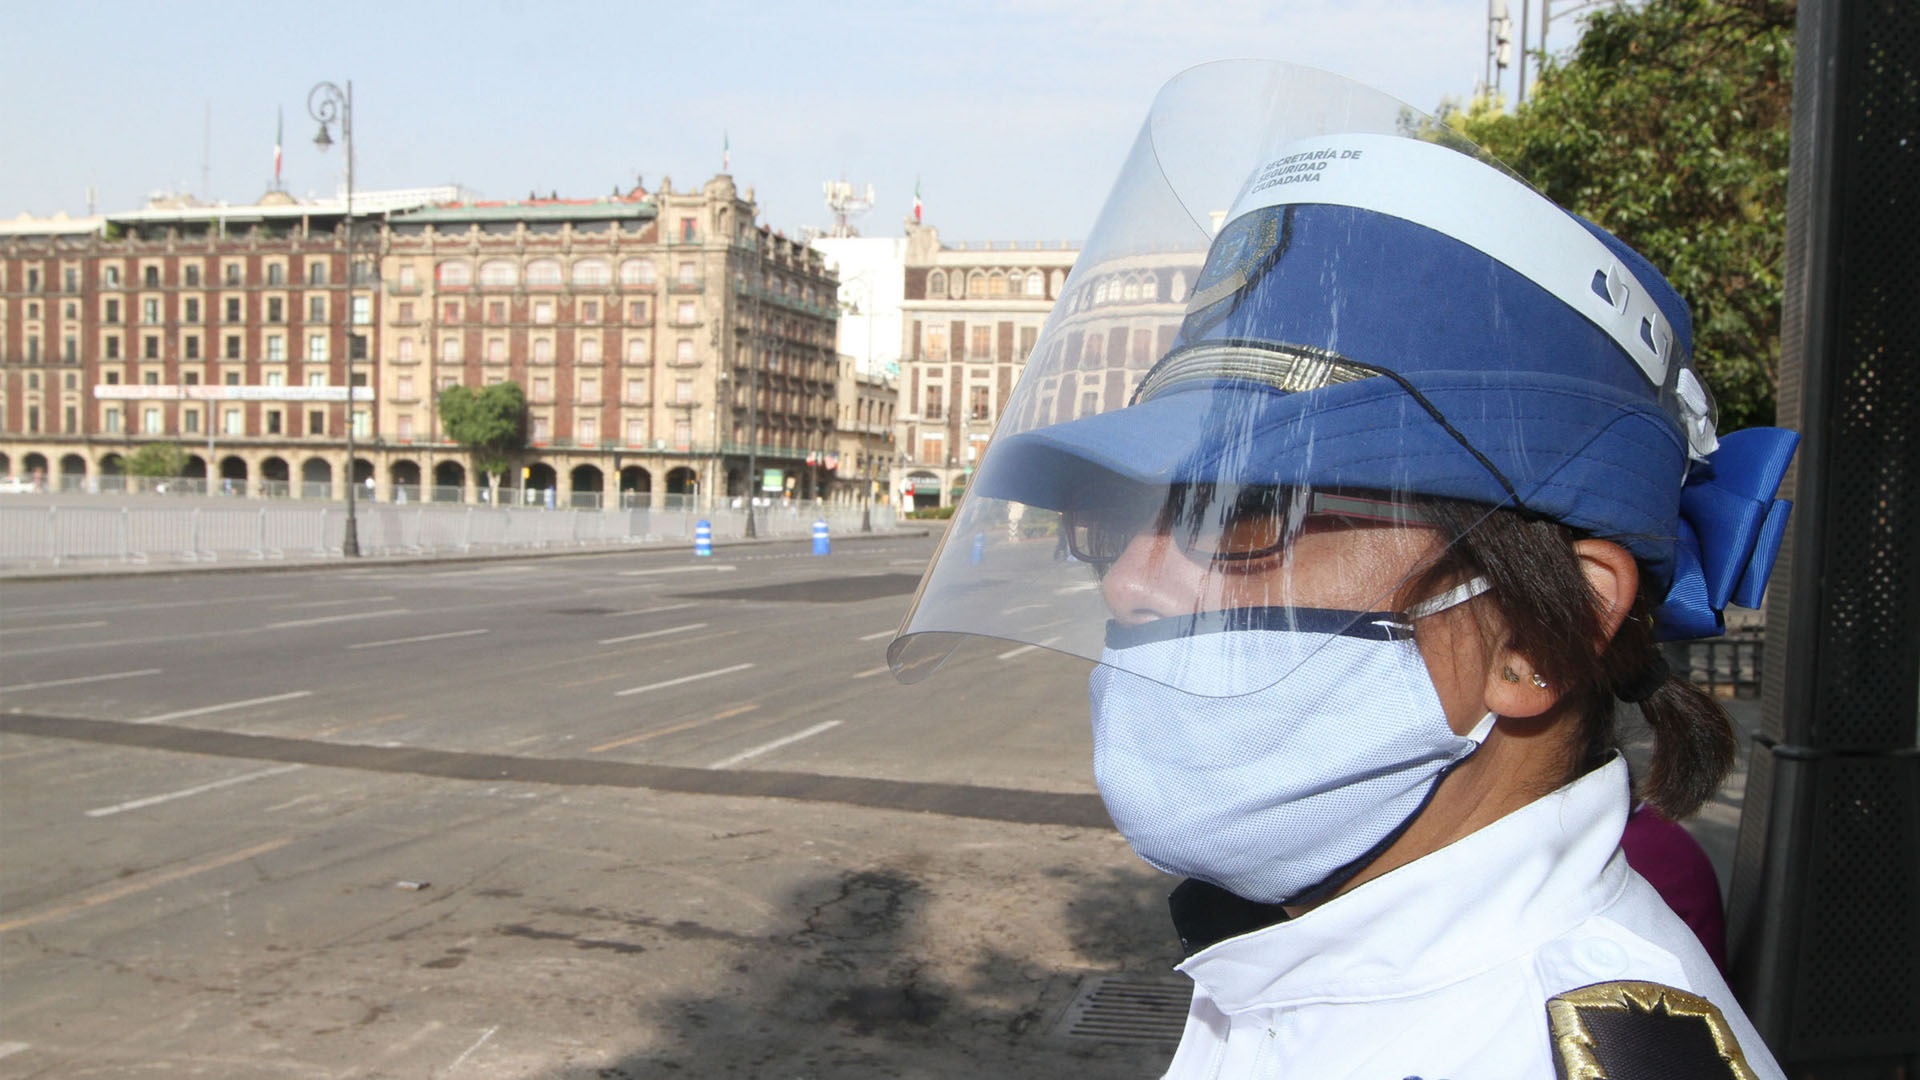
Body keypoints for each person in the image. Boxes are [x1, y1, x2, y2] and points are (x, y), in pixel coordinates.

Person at [889, 62, 1796, 1077]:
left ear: (1542, 637)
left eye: (1247, 516)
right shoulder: (1318, 966)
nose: (1128, 581)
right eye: (1125, 518)